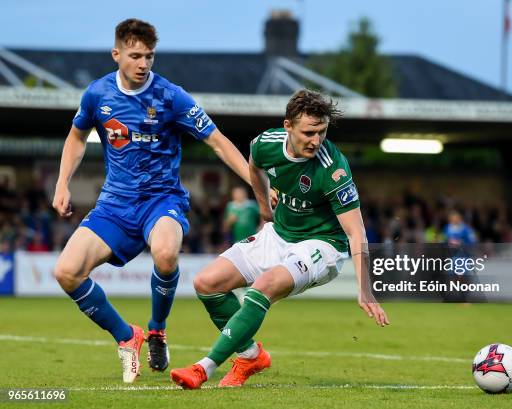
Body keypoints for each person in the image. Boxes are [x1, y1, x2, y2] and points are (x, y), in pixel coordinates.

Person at [52, 18, 251, 383]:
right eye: (135, 56)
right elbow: (76, 138)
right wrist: (63, 183)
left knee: (165, 252)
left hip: (162, 200)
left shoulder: (171, 96)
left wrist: (254, 180)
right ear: (116, 55)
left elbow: (217, 140)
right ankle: (128, 336)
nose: (143, 64)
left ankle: (157, 329)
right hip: (114, 205)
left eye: (149, 56)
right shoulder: (97, 95)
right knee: (65, 272)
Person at [170, 89, 389, 389]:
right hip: (279, 233)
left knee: (263, 287)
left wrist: (365, 289)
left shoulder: (333, 168)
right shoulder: (266, 144)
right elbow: (254, 163)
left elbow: (356, 231)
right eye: (309, 132)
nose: (316, 140)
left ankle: (204, 368)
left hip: (322, 245)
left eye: (322, 132)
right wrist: (264, 208)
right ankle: (250, 356)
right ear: (288, 126)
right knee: (206, 284)